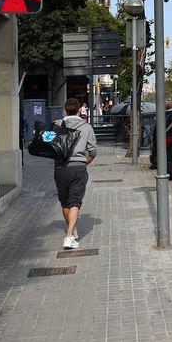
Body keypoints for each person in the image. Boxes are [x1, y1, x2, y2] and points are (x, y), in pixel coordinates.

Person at [54, 98, 97, 250]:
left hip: (59, 169)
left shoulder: (57, 125)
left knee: (65, 202)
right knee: (75, 202)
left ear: (65, 111)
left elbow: (49, 143)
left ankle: (72, 231)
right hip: (78, 167)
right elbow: (93, 151)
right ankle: (69, 236)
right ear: (80, 110)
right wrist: (85, 161)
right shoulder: (86, 127)